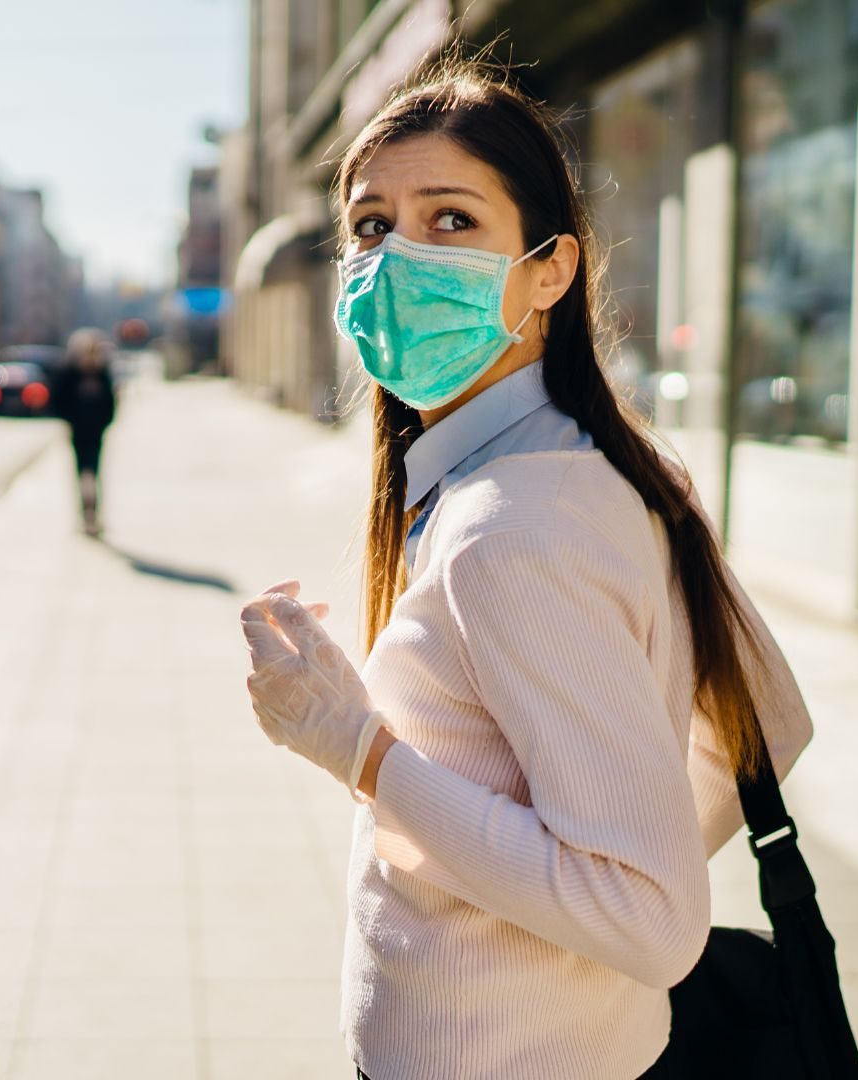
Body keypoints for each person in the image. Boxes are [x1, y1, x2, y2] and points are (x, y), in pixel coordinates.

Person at [237, 66, 815, 1080]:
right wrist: (568, 899)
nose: (396, 257)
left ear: (550, 272)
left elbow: (649, 921)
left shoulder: (516, 526)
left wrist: (356, 747)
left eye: (450, 219)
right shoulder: (586, 461)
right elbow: (765, 718)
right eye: (370, 227)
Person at [49, 328, 118, 536]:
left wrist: (104, 422)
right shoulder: (70, 374)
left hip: (96, 431)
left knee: (93, 472)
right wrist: (70, 420)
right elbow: (58, 400)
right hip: (78, 431)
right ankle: (85, 514)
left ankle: (93, 514)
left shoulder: (101, 373)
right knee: (82, 473)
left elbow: (110, 402)